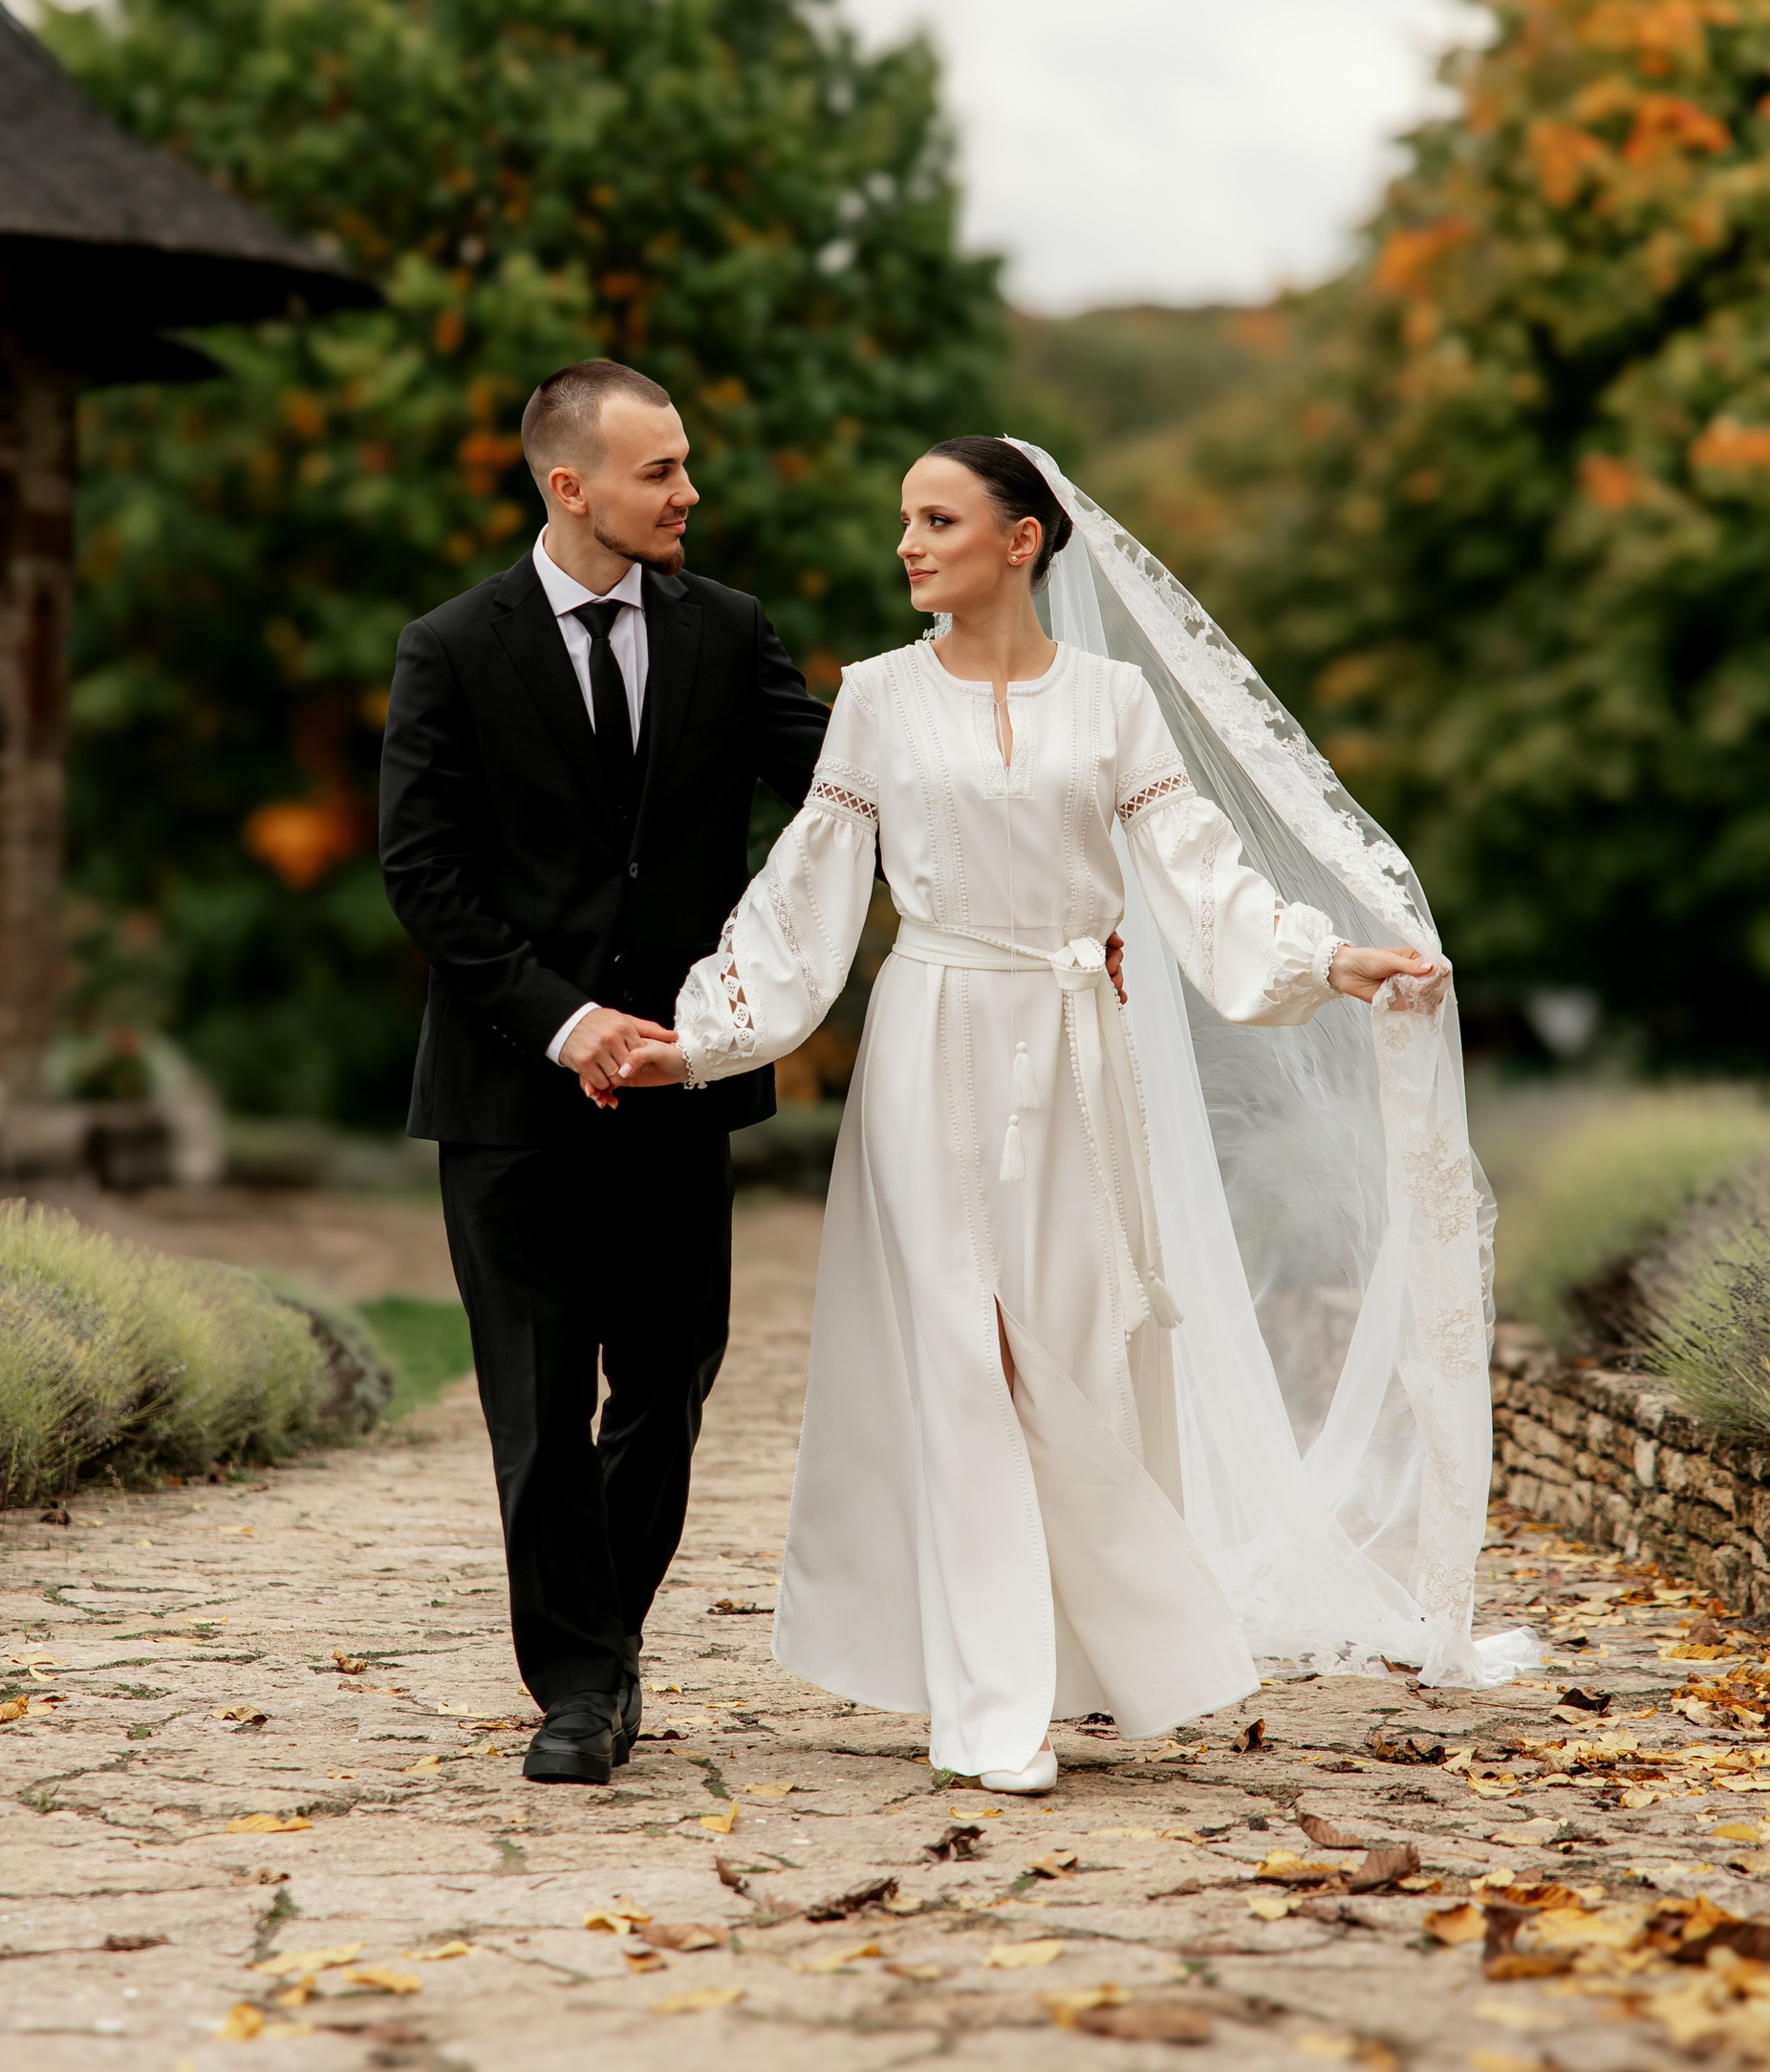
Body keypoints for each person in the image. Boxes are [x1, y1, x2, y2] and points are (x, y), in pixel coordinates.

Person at [612, 435, 1533, 1790]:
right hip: (931, 1042)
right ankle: (989, 1705)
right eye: (906, 520)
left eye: (939, 519)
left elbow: (1199, 873)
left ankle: (1081, 1654)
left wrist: (1328, 959)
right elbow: (809, 886)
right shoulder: (875, 697)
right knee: (960, 1355)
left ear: (1022, 540)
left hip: (1076, 1053)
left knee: (1070, 1352)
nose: (909, 544)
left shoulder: (1113, 702)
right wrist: (698, 1036)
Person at [378, 359, 831, 1785]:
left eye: (685, 464)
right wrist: (565, 1021)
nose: (690, 492)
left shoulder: (729, 631)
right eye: (661, 470)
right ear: (571, 486)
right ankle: (579, 1687)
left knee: (667, 1381)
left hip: (682, 1083)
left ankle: (601, 1637)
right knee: (534, 1402)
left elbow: (849, 799)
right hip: (509, 1094)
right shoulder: (451, 647)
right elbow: (424, 875)